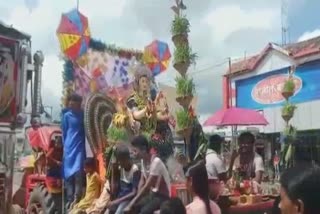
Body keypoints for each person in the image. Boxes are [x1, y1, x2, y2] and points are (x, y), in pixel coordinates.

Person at [124, 135, 171, 214]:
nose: (134, 154)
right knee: (135, 207)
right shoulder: (143, 161)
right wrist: (135, 201)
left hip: (163, 197)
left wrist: (131, 203)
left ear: (144, 149)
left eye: (135, 151)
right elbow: (141, 182)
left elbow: (146, 186)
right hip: (153, 196)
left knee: (144, 212)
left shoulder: (156, 162)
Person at [62, 93, 86, 207]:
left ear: (78, 103)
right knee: (68, 174)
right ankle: (69, 198)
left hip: (79, 146)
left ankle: (77, 197)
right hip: (68, 147)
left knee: (78, 172)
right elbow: (64, 132)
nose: (71, 103)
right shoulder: (66, 116)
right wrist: (64, 146)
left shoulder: (83, 115)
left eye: (73, 101)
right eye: (70, 101)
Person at [106, 144, 140, 214]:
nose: (118, 163)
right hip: (120, 198)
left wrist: (116, 201)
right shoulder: (120, 168)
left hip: (127, 200)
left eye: (120, 161)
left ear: (126, 159)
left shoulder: (134, 170)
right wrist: (113, 170)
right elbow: (113, 190)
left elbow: (134, 193)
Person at [206, 135, 227, 200]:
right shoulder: (216, 159)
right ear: (218, 145)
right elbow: (224, 180)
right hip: (214, 195)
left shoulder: (204, 156)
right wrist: (232, 160)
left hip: (204, 191)